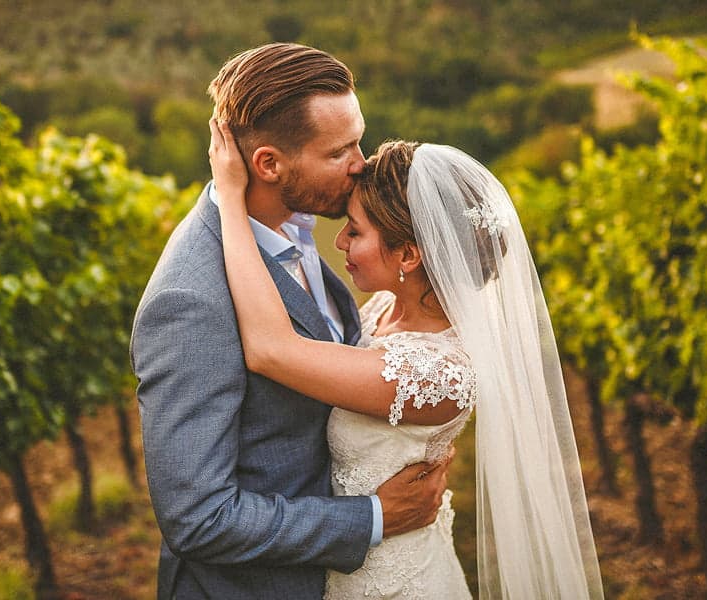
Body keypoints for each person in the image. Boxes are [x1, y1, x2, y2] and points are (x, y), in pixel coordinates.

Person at [209, 119, 606, 598]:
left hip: (392, 582)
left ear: (409, 255)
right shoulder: (385, 309)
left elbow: (272, 351)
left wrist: (229, 200)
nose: (340, 243)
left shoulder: (438, 373)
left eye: (355, 232)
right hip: (350, 561)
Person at [130, 43, 450, 600]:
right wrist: (371, 517)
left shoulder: (298, 229)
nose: (362, 162)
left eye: (359, 139)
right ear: (270, 164)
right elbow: (198, 518)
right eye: (340, 151)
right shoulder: (190, 299)